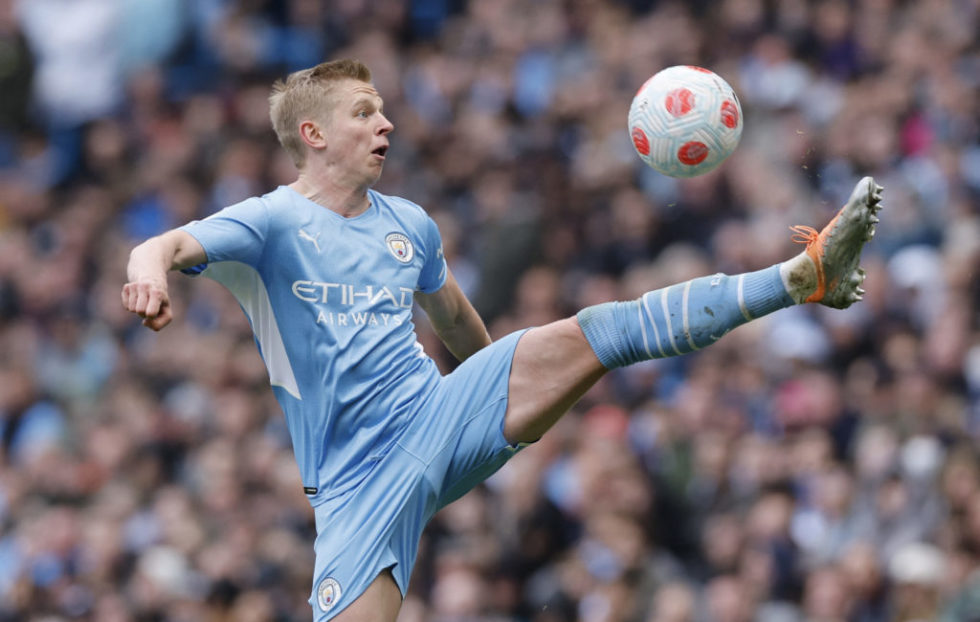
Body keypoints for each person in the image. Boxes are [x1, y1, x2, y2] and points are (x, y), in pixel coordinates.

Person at [121, 58, 884, 622]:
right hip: (356, 484)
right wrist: (148, 277)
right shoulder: (269, 221)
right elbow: (160, 245)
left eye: (383, 109)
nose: (385, 123)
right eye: (363, 112)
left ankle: (803, 276)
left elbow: (453, 320)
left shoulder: (408, 225)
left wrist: (498, 398)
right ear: (314, 134)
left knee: (603, 330)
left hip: (437, 412)